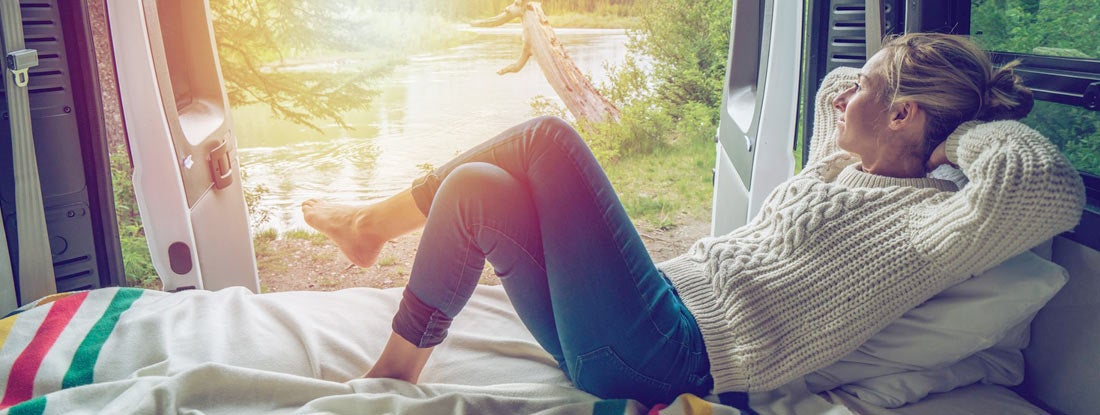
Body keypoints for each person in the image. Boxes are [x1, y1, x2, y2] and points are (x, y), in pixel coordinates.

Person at [300, 33, 1085, 407]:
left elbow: (1046, 184)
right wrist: (897, 87)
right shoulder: (842, 158)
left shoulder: (936, 220)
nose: (844, 96)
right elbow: (838, 83)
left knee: (545, 139)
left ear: (907, 113)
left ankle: (372, 225)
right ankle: (398, 365)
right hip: (629, 330)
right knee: (477, 186)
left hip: (671, 349)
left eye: (875, 93)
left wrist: (963, 124)